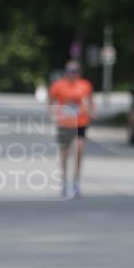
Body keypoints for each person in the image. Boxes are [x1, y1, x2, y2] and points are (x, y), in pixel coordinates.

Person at [48, 60, 95, 198]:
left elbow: (91, 101)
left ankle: (76, 181)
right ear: (66, 72)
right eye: (70, 71)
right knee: (65, 153)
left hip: (80, 122)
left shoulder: (85, 85)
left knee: (79, 150)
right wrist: (53, 115)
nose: (72, 74)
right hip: (64, 123)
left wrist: (91, 112)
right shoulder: (58, 85)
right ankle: (64, 181)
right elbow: (50, 102)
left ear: (79, 72)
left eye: (75, 71)